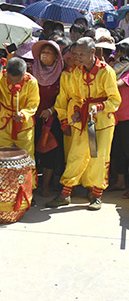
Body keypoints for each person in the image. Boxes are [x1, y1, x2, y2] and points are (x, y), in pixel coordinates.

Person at [46, 37, 121, 210]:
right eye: (75, 54)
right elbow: (77, 97)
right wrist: (78, 111)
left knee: (100, 157)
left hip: (103, 122)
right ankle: (65, 194)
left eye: (81, 54)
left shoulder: (106, 71)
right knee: (76, 155)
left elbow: (115, 100)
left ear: (93, 52)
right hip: (83, 121)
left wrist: (99, 107)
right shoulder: (77, 72)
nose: (77, 57)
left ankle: (96, 195)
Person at [0, 57, 40, 159]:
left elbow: (33, 103)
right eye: (10, 80)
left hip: (24, 125)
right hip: (2, 121)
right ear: (7, 73)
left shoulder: (31, 82)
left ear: (23, 74)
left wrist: (23, 114)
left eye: (17, 81)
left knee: (26, 156)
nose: (13, 83)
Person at [31, 40, 64, 197]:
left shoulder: (62, 73)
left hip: (51, 119)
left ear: (56, 57)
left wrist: (51, 110)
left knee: (48, 152)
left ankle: (45, 186)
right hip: (31, 118)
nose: (44, 55)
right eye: (42, 52)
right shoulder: (31, 70)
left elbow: (64, 97)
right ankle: (30, 185)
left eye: (48, 52)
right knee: (32, 152)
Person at [110, 42, 129, 196]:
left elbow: (117, 85)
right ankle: (120, 182)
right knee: (118, 150)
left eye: (122, 54)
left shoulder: (127, 71)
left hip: (127, 117)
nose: (119, 57)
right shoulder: (116, 70)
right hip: (115, 116)